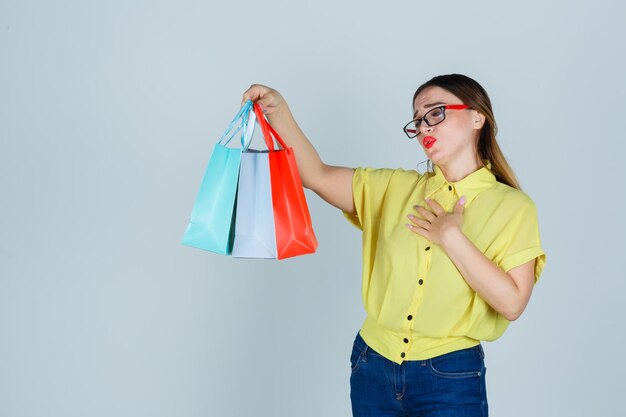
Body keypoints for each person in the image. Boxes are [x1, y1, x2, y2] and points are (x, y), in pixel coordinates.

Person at [242, 74, 546, 417]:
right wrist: (278, 111)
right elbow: (315, 174)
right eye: (418, 121)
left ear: (478, 117)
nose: (424, 127)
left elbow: (512, 304)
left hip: (451, 374)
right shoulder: (393, 188)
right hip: (373, 364)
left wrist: (452, 237)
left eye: (436, 113)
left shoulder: (514, 207)